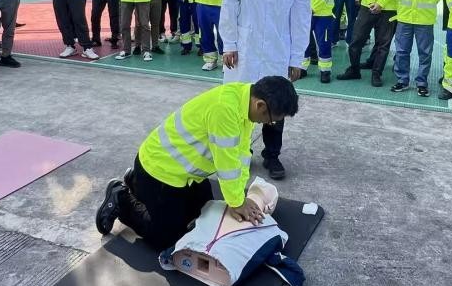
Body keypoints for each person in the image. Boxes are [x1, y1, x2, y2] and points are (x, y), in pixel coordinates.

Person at [95, 77, 300, 247]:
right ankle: (121, 198)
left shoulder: (244, 103)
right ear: (260, 105)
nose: (270, 124)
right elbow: (227, 166)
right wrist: (237, 202)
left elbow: (242, 155)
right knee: (167, 239)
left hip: (185, 174)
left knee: (203, 214)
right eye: (272, 119)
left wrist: (239, 198)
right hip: (160, 170)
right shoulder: (225, 110)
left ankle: (138, 184)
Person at [220, 0, 311, 181]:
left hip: (277, 50)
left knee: (276, 104)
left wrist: (297, 58)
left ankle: (272, 154)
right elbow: (229, 5)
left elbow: (301, 19)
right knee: (240, 101)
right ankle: (241, 151)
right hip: (244, 47)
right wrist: (229, 44)